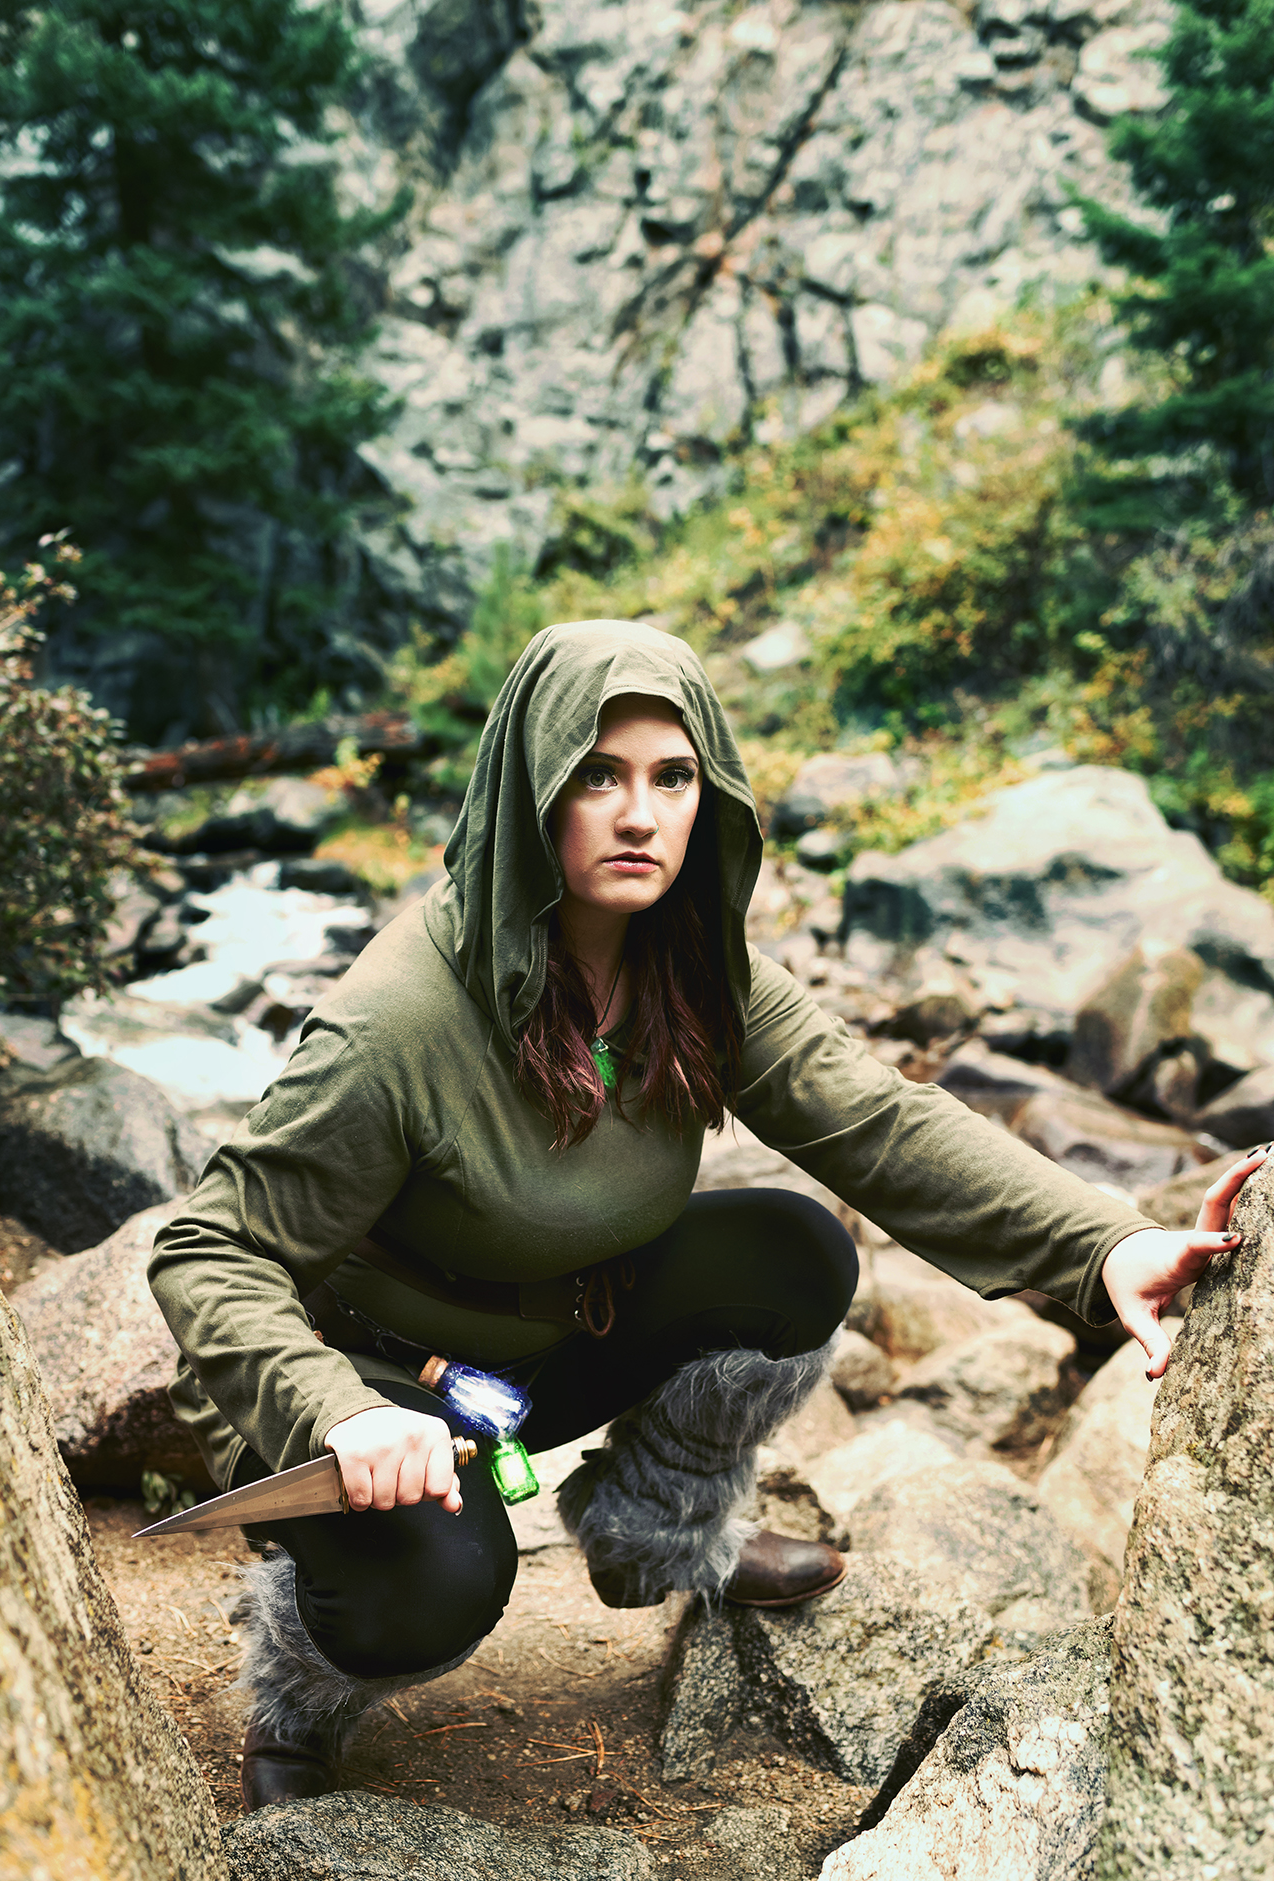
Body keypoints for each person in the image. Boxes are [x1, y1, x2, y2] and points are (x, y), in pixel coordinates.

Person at [148, 620, 1259, 1811]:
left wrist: (1103, 1243)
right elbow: (208, 1246)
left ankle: (657, 1533)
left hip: (560, 1343)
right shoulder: (399, 1019)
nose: (640, 815)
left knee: (797, 1252)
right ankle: (295, 1689)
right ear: (532, 785)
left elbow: (879, 1122)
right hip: (387, 1387)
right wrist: (340, 1412)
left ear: (708, 792)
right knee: (435, 1588)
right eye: (598, 776)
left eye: (672, 777)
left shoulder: (694, 966)